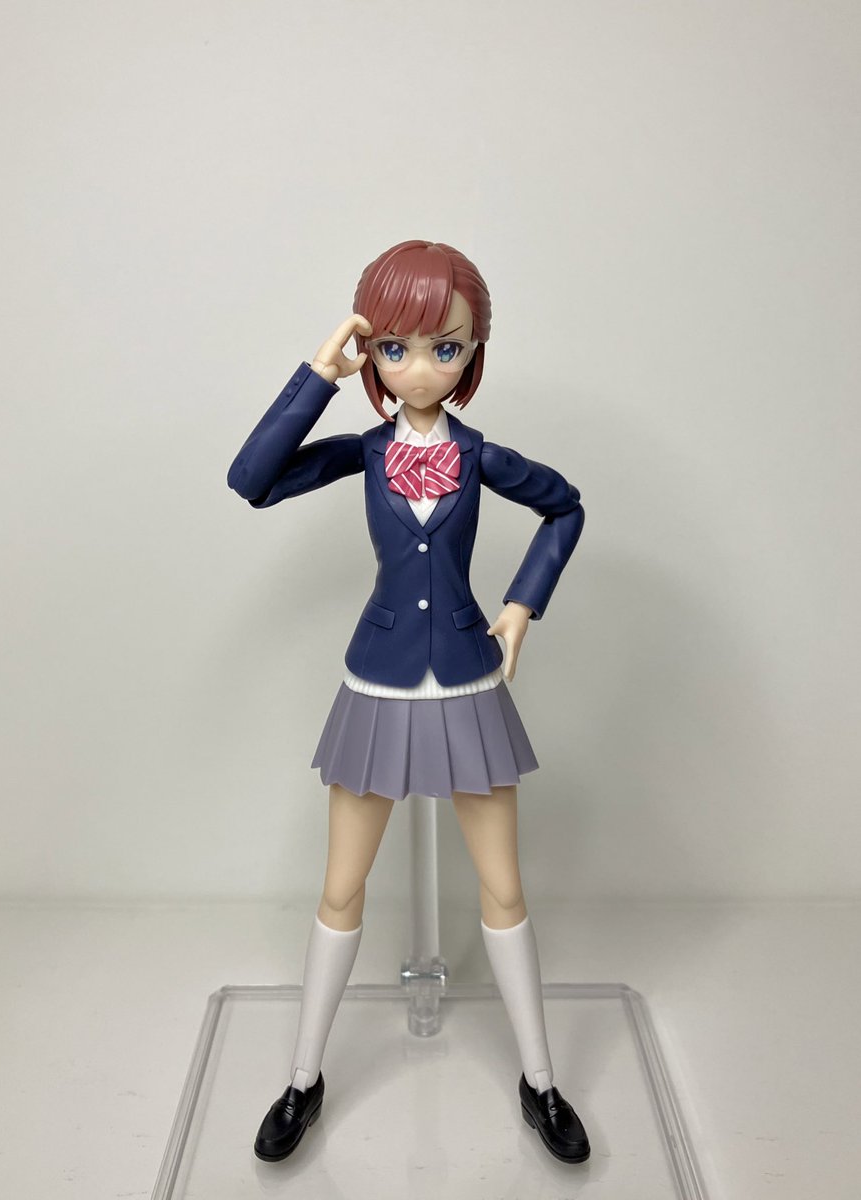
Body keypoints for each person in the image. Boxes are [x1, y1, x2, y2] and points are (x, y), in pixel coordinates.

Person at [227, 240, 588, 1164]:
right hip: (379, 682)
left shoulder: (478, 455)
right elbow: (251, 480)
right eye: (395, 348)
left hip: (467, 677)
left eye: (445, 347)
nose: (420, 369)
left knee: (504, 887)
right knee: (340, 885)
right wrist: (319, 375)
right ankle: (303, 1079)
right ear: (371, 352)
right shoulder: (365, 451)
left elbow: (566, 506)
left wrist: (522, 605)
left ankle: (540, 1080)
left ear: (473, 354)